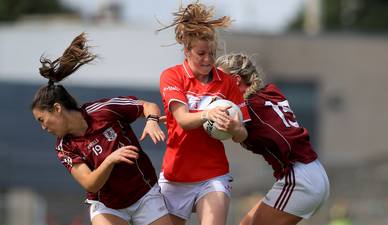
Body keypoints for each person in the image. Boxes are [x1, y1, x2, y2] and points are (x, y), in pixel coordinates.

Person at [31, 33, 173, 225]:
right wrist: (110, 160)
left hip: (144, 194)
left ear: (57, 109)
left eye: (42, 119)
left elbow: (148, 107)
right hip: (108, 207)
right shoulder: (64, 146)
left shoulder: (102, 110)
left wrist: (152, 121)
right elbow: (90, 182)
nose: (43, 127)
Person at [156, 3, 250, 225]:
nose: (208, 59)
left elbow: (242, 134)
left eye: (212, 53)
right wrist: (210, 113)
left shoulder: (226, 82)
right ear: (187, 50)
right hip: (175, 177)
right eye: (201, 53)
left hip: (213, 175)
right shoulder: (172, 76)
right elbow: (183, 120)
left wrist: (235, 128)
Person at [216, 53, 330, 225]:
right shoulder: (269, 93)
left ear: (236, 80)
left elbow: (278, 140)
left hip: (299, 178)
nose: (216, 87)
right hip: (314, 172)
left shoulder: (250, 107)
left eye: (219, 81)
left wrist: (239, 132)